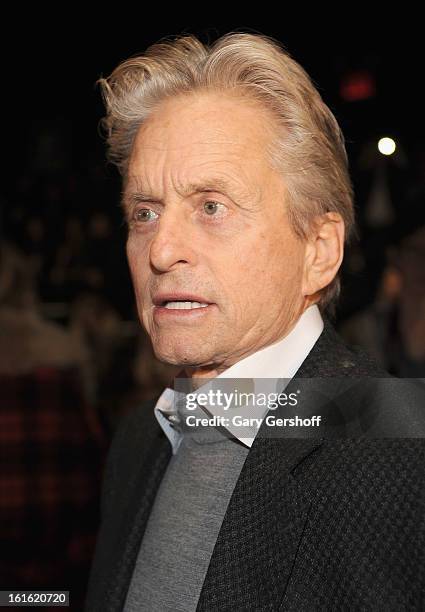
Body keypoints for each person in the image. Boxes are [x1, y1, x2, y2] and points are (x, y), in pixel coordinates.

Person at [85, 32, 425, 611]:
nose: (160, 250)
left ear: (318, 250)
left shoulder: (400, 458)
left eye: (211, 206)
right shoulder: (140, 439)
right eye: (143, 213)